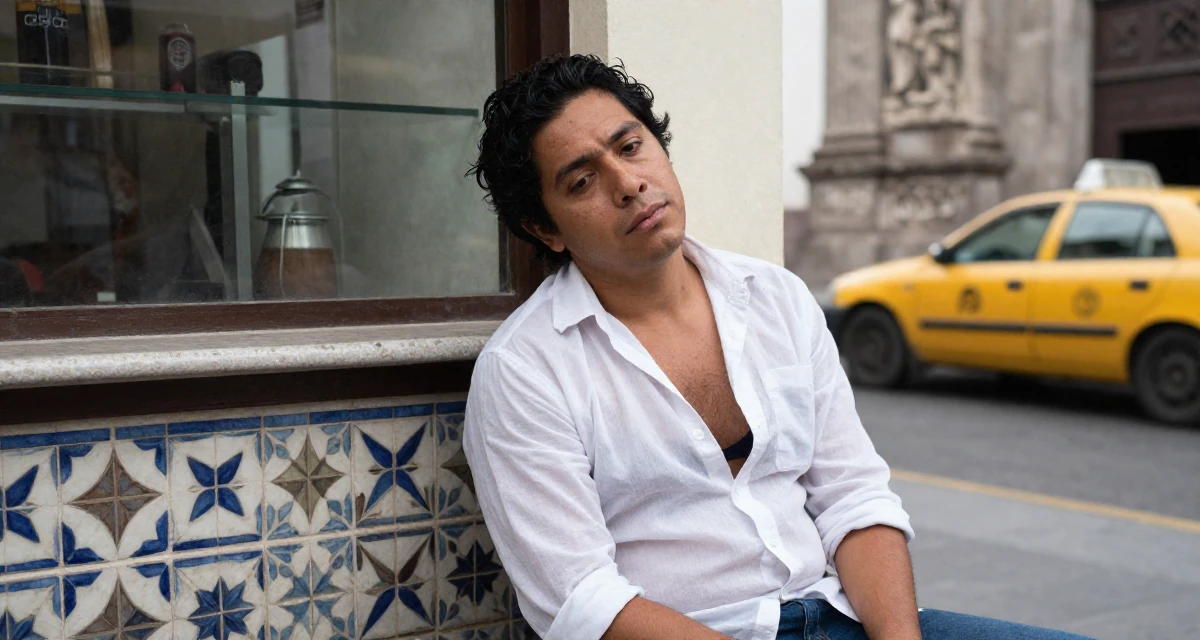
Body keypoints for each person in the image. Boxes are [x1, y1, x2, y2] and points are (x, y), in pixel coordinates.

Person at [463, 54, 1091, 640]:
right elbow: (581, 599)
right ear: (545, 227)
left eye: (632, 147)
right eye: (582, 182)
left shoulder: (775, 298)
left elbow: (853, 496)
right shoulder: (525, 369)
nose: (628, 183)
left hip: (841, 614)